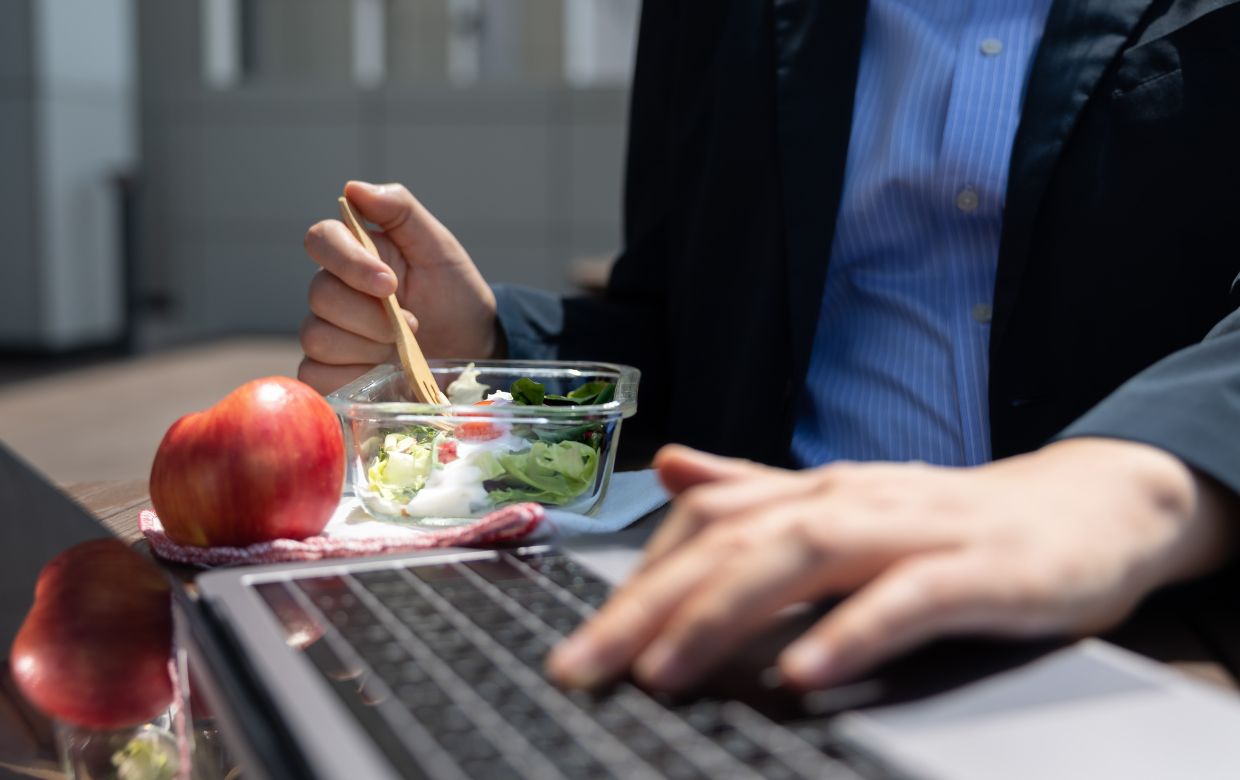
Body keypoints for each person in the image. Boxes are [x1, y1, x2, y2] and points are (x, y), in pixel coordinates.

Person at [298, 0, 1240, 692]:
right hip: (749, 612)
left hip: (1158, 621)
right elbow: (694, 329)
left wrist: (1139, 479)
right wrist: (495, 345)